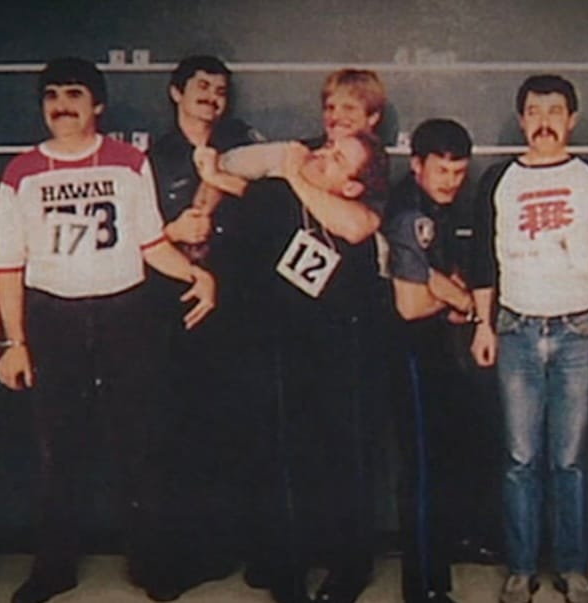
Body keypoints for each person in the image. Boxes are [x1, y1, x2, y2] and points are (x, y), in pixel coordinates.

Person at [0, 57, 215, 603]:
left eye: (74, 94)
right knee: (58, 449)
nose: (62, 105)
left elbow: (151, 244)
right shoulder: (21, 172)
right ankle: (54, 569)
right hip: (53, 316)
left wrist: (198, 275)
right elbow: (8, 265)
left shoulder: (128, 162)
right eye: (52, 95)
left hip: (124, 312)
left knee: (140, 444)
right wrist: (15, 342)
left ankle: (151, 565)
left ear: (98, 105)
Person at [196, 68, 390, 603]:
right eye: (330, 118)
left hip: (344, 346)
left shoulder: (362, 184)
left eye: (337, 156)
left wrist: (297, 174)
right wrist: (218, 177)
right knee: (285, 455)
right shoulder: (290, 178)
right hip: (283, 343)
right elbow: (240, 187)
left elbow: (356, 225)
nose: (327, 144)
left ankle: (348, 566)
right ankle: (286, 566)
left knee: (344, 456)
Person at [470, 75, 588, 603]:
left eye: (555, 111)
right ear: (522, 120)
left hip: (580, 330)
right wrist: (483, 324)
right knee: (520, 459)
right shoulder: (499, 179)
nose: (545, 121)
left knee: (569, 461)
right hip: (516, 329)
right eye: (534, 111)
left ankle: (573, 568)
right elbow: (482, 258)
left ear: (572, 119)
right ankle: (521, 568)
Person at [129, 54, 262, 601]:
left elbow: (270, 212)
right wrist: (172, 230)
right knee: (171, 434)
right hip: (170, 308)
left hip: (235, 305)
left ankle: (220, 550)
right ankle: (169, 560)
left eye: (220, 89)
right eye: (201, 85)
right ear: (175, 92)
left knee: (227, 431)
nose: (211, 95)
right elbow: (132, 236)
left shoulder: (242, 150)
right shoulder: (151, 159)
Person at [382, 118, 500, 603]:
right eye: (441, 170)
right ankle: (424, 588)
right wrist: (462, 301)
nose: (451, 181)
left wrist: (446, 289)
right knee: (423, 470)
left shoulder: (441, 207)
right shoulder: (409, 213)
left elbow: (443, 275)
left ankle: (447, 550)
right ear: (417, 165)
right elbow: (411, 305)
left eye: (458, 171)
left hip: (438, 350)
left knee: (451, 455)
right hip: (409, 351)